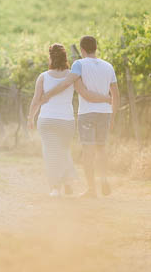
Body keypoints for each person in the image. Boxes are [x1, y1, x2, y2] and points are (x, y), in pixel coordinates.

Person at [28, 43, 112, 198]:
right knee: (63, 151)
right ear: (65, 57)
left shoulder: (43, 76)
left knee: (50, 152)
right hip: (66, 121)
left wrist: (30, 117)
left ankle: (55, 187)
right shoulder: (73, 76)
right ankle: (67, 182)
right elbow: (84, 93)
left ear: (50, 57)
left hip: (46, 120)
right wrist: (106, 98)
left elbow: (36, 100)